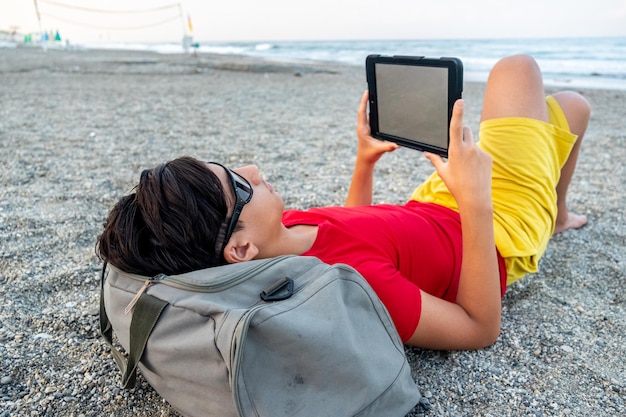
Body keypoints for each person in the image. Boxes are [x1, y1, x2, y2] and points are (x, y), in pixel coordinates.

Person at [97, 54, 590, 350]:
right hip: (496, 227)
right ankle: (548, 218)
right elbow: (479, 327)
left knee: (571, 109)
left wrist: (365, 162)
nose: (250, 170)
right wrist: (477, 201)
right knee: (518, 70)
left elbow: (354, 225)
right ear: (240, 250)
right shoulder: (351, 286)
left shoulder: (280, 236)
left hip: (436, 204)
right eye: (238, 184)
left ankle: (559, 214)